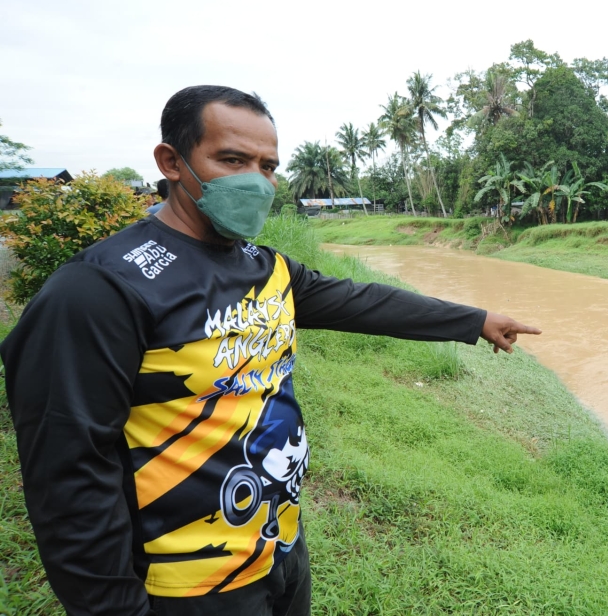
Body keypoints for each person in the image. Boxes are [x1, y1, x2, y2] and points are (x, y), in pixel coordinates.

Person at [0, 85, 540, 616]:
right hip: (189, 582)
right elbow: (67, 478)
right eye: (232, 159)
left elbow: (363, 302)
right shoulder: (102, 289)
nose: (256, 182)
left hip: (277, 547)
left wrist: (475, 321)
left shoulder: (265, 267)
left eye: (267, 166)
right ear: (171, 161)